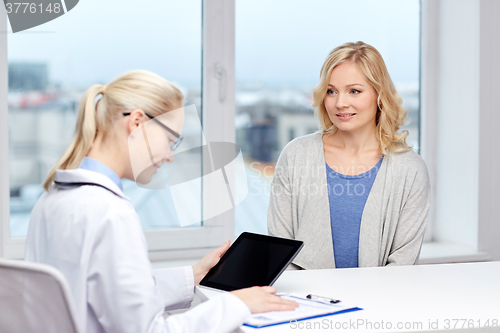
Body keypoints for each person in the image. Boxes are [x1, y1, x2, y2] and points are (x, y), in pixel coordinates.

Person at [25, 70, 297, 333]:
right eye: (171, 140)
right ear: (137, 122)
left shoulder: (51, 199)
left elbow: (102, 292)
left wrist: (193, 276)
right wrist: (237, 305)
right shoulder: (110, 213)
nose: (170, 156)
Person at [268, 42, 430, 270]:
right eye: (331, 91)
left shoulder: (409, 168)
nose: (340, 103)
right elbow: (279, 250)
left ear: (380, 95)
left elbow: (403, 262)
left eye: (354, 91)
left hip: (380, 301)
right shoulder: (296, 155)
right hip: (304, 300)